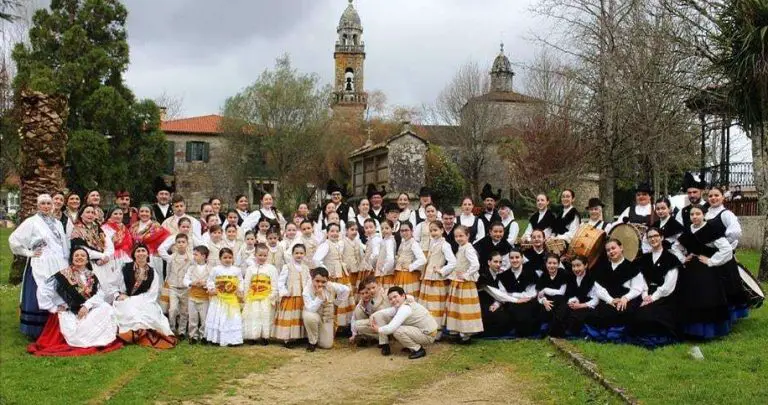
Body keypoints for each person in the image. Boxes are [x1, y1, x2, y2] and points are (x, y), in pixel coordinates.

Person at [29, 247, 122, 356]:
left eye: (83, 256)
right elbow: (44, 290)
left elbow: (100, 293)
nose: (79, 257)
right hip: (72, 312)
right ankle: (88, 337)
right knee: (77, 329)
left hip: (88, 309)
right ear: (72, 259)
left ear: (87, 260)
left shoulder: (91, 275)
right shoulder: (63, 274)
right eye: (76, 255)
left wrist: (87, 306)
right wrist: (53, 307)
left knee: (106, 308)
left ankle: (96, 337)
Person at [9, 194, 70, 339]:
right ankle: (36, 330)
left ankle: (57, 328)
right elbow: (14, 239)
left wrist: (65, 260)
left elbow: (64, 244)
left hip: (58, 263)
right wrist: (28, 252)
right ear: (38, 205)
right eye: (43, 203)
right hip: (40, 263)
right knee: (41, 291)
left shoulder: (58, 223)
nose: (46, 206)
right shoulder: (31, 222)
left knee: (58, 292)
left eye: (49, 203)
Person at [672, 205, 733, 340]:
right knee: (690, 297)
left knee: (706, 296)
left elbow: (727, 249)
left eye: (698, 214)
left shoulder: (711, 230)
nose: (694, 217)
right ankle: (690, 330)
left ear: (704, 215)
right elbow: (676, 247)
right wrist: (683, 258)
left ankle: (708, 331)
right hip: (690, 270)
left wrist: (712, 261)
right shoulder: (688, 231)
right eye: (692, 214)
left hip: (707, 271)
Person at [113, 244, 177, 349]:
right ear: (134, 254)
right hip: (125, 300)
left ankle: (140, 333)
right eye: (138, 251)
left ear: (147, 254)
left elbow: (152, 293)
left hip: (145, 301)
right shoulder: (125, 267)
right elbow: (114, 285)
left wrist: (134, 299)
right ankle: (135, 333)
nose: (141, 253)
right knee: (131, 313)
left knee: (149, 314)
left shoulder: (153, 272)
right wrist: (117, 295)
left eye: (143, 251)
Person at [585, 239, 644, 342]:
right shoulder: (602, 268)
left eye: (613, 248)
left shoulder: (632, 266)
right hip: (609, 300)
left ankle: (613, 334)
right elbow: (598, 288)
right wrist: (610, 300)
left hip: (626, 300)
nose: (611, 252)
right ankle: (603, 334)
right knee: (595, 314)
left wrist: (625, 298)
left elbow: (638, 288)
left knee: (623, 313)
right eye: (608, 250)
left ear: (621, 248)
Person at [630, 228, 681, 346]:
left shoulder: (671, 258)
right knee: (635, 313)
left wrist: (652, 298)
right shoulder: (644, 258)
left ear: (662, 237)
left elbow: (669, 285)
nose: (653, 239)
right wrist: (645, 296)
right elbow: (641, 280)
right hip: (646, 293)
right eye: (650, 237)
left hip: (664, 295)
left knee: (650, 315)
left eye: (656, 236)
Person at [704, 185, 747, 312]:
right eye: (710, 196)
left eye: (716, 195)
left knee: (726, 287)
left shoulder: (726, 214)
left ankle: (729, 316)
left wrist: (722, 245)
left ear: (723, 197)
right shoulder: (705, 213)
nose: (713, 198)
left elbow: (735, 233)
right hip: (708, 257)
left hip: (723, 257)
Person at [366, 286, 438, 359]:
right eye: (390, 299)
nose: (393, 300)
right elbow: (386, 311)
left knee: (397, 330)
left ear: (403, 296)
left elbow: (391, 328)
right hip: (425, 331)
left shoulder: (405, 308)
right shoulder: (402, 304)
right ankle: (411, 347)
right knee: (386, 317)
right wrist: (372, 316)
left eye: (395, 297)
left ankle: (418, 350)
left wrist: (378, 329)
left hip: (428, 335)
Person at [482, 248, 539, 337]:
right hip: (512, 304)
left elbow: (532, 293)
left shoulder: (530, 273)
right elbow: (501, 294)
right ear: (509, 259)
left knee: (527, 317)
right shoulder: (503, 275)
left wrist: (513, 295)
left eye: (517, 257)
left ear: (522, 258)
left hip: (528, 302)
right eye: (512, 258)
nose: (514, 260)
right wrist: (497, 304)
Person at [441, 225, 483, 343]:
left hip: (465, 284)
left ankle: (466, 334)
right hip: (458, 282)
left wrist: (466, 275)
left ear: (468, 236)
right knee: (457, 307)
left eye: (461, 236)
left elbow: (475, 264)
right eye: (456, 236)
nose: (459, 238)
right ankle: (458, 331)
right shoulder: (461, 247)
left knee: (465, 308)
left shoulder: (468, 248)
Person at [417, 221, 456, 336]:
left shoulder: (445, 245)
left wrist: (442, 270)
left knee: (436, 305)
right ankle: (428, 329)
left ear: (442, 230)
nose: (433, 233)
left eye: (435, 230)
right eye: (431, 230)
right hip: (428, 279)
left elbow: (453, 262)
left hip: (437, 280)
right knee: (427, 305)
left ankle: (437, 332)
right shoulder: (432, 243)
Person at [313, 223, 355, 328]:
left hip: (341, 274)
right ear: (327, 233)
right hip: (333, 276)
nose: (335, 233)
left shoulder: (338, 244)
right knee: (333, 297)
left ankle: (343, 324)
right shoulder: (325, 245)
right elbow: (316, 259)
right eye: (332, 231)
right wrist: (326, 272)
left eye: (337, 231)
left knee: (344, 297)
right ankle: (333, 324)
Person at [302, 267, 351, 351]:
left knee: (327, 345)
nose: (320, 284)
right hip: (313, 314)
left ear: (327, 280)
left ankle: (321, 337)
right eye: (317, 281)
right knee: (309, 317)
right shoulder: (307, 289)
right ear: (312, 279)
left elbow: (346, 290)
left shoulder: (331, 286)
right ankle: (312, 342)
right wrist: (320, 297)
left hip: (327, 317)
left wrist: (336, 302)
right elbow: (311, 309)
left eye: (323, 282)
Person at [548, 256, 598, 337]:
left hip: (588, 305)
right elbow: (569, 293)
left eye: (578, 265)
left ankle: (569, 333)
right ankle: (554, 333)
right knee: (561, 310)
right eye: (573, 266)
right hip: (575, 303)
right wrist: (572, 301)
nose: (575, 269)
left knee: (574, 316)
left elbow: (596, 300)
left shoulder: (592, 278)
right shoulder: (571, 277)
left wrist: (580, 305)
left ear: (585, 265)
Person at [70, 205, 116, 292]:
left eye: (92, 213)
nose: (90, 215)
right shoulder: (77, 230)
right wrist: (102, 256)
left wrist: (106, 256)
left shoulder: (98, 228)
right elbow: (82, 250)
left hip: (105, 262)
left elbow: (109, 244)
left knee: (109, 286)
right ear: (81, 215)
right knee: (96, 287)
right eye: (87, 212)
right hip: (91, 263)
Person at [205, 248, 243, 346]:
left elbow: (240, 281)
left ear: (233, 258)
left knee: (231, 318)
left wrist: (239, 289)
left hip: (231, 298)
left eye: (230, 257)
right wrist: (212, 289)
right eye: (225, 257)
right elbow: (210, 280)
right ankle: (217, 339)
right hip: (219, 298)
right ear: (220, 258)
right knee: (219, 316)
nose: (227, 259)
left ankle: (233, 340)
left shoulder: (236, 270)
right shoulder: (216, 269)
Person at [274, 244, 311, 347]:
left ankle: (299, 336)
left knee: (300, 316)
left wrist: (307, 292)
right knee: (290, 317)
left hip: (302, 297)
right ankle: (287, 338)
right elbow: (281, 281)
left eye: (301, 253)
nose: (299, 255)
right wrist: (285, 292)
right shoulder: (287, 267)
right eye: (296, 253)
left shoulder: (306, 268)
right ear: (292, 254)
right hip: (291, 296)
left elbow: (309, 281)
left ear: (304, 254)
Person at [242, 244, 279, 345]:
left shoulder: (271, 269)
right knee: (253, 316)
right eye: (260, 255)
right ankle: (252, 336)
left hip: (266, 297)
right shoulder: (250, 269)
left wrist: (272, 296)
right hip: (253, 297)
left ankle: (265, 336)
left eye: (265, 255)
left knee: (265, 317)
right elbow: (246, 283)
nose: (262, 258)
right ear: (255, 255)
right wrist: (245, 296)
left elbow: (275, 284)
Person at [476, 251, 514, 337]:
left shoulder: (500, 274)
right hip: (482, 304)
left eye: (500, 262)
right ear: (489, 262)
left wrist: (497, 304)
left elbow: (503, 292)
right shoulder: (483, 275)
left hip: (494, 302)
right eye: (495, 262)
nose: (498, 264)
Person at [130, 204, 171, 276]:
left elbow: (167, 239)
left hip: (153, 258)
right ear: (138, 214)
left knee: (153, 279)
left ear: (151, 214)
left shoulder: (156, 226)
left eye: (147, 211)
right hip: (137, 256)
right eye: (142, 211)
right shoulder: (133, 227)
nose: (144, 213)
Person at [167, 233, 193, 339]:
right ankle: (172, 329)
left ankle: (182, 331)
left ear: (187, 243)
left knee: (184, 310)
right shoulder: (171, 257)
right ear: (175, 244)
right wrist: (168, 282)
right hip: (173, 286)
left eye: (183, 242)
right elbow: (168, 271)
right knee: (172, 309)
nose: (181, 244)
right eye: (179, 242)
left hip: (186, 288)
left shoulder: (191, 257)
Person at [349, 276, 389, 345]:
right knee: (357, 312)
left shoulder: (382, 294)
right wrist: (354, 334)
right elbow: (354, 318)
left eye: (366, 292)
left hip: (386, 321)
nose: (365, 295)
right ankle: (367, 337)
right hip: (374, 323)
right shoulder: (361, 303)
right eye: (362, 293)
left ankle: (384, 338)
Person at [184, 245, 211, 344]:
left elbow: (212, 281)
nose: (194, 256)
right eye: (193, 254)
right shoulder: (191, 268)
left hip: (205, 298)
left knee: (204, 318)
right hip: (192, 297)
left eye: (196, 255)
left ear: (204, 256)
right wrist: (192, 283)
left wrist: (205, 284)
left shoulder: (210, 269)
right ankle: (193, 336)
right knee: (192, 318)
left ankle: (204, 335)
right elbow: (185, 279)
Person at [393, 221, 427, 297]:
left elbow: (423, 259)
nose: (404, 233)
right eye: (402, 231)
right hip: (400, 274)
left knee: (407, 297)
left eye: (406, 230)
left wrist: (411, 266)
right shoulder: (403, 242)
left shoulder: (414, 243)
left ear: (412, 231)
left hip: (408, 276)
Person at [102, 207, 134, 285]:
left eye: (120, 214)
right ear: (110, 215)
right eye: (115, 214)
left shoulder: (124, 227)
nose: (118, 216)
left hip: (126, 255)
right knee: (113, 280)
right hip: (112, 256)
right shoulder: (105, 227)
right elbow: (105, 244)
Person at [536, 254, 568, 328]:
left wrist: (545, 290)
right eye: (549, 263)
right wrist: (544, 301)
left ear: (558, 264)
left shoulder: (563, 273)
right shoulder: (543, 275)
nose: (552, 265)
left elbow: (562, 292)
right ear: (546, 264)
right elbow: (539, 294)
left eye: (554, 263)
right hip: (547, 301)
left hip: (560, 301)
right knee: (542, 310)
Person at [342, 221, 365, 295]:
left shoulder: (358, 242)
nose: (354, 232)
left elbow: (361, 255)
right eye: (352, 229)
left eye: (356, 230)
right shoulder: (342, 242)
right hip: (348, 272)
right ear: (346, 230)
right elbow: (340, 257)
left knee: (356, 290)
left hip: (357, 271)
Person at [375, 220, 397, 292]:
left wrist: (384, 270)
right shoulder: (385, 240)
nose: (384, 230)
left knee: (384, 292)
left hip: (386, 274)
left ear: (392, 229)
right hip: (383, 272)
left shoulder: (389, 241)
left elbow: (390, 259)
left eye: (387, 228)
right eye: (382, 228)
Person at [358, 218, 381, 284]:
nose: (369, 230)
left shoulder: (376, 239)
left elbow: (376, 254)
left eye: (371, 227)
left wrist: (369, 264)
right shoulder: (370, 239)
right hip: (368, 266)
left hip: (372, 267)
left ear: (375, 227)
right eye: (366, 228)